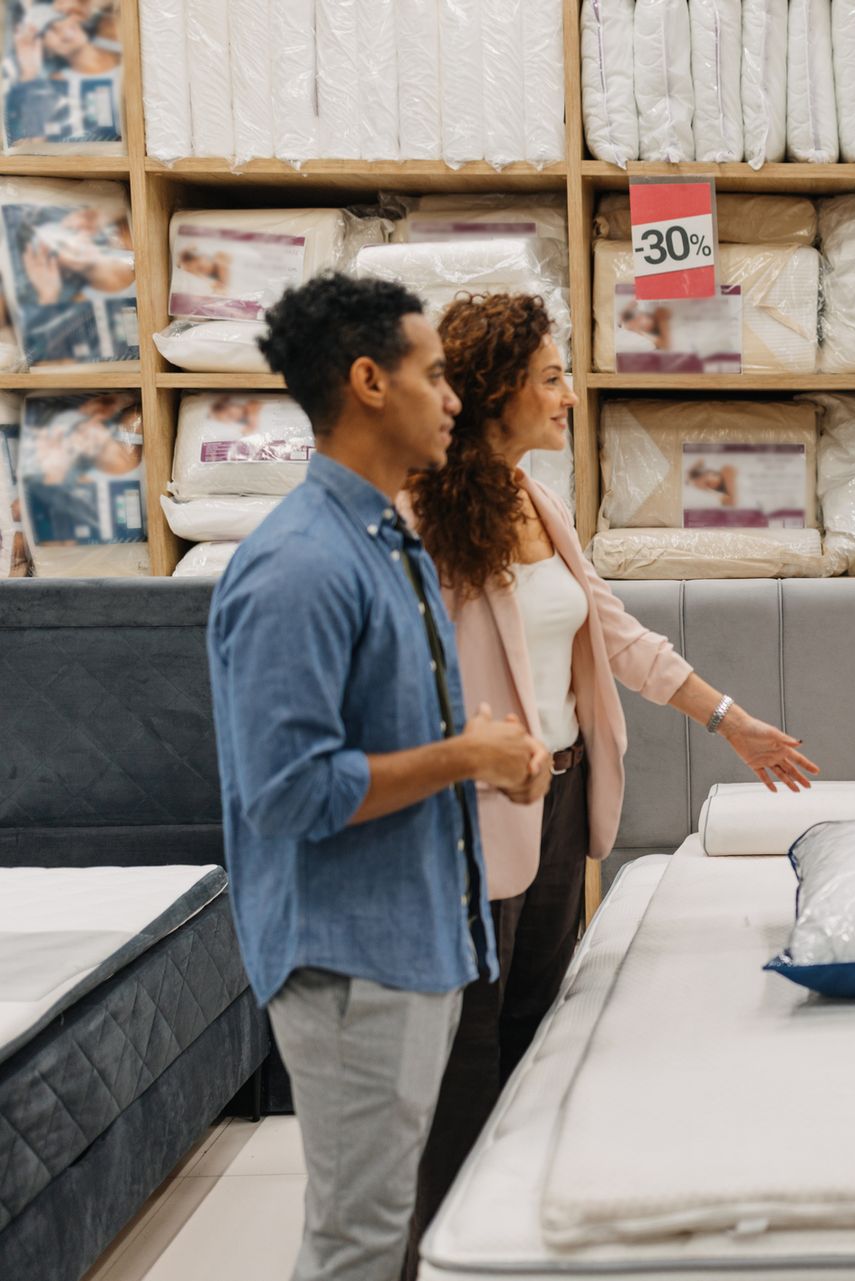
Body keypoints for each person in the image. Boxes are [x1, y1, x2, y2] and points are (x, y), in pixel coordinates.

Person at [399, 292, 819, 1273]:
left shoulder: (534, 498)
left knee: (533, 1029)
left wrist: (729, 720)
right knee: (465, 1054)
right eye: (551, 379)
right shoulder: (423, 518)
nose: (570, 396)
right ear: (497, 391)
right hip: (473, 814)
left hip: (559, 797)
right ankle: (444, 1254)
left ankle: (517, 1234)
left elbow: (613, 631)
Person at [207, 274, 552, 1281]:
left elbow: (396, 731)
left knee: (385, 1223)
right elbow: (289, 790)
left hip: (414, 939)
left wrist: (486, 754)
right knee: (357, 1241)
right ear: (368, 382)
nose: (455, 398)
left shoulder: (387, 540)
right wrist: (467, 758)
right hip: (352, 962)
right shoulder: (300, 565)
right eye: (435, 375)